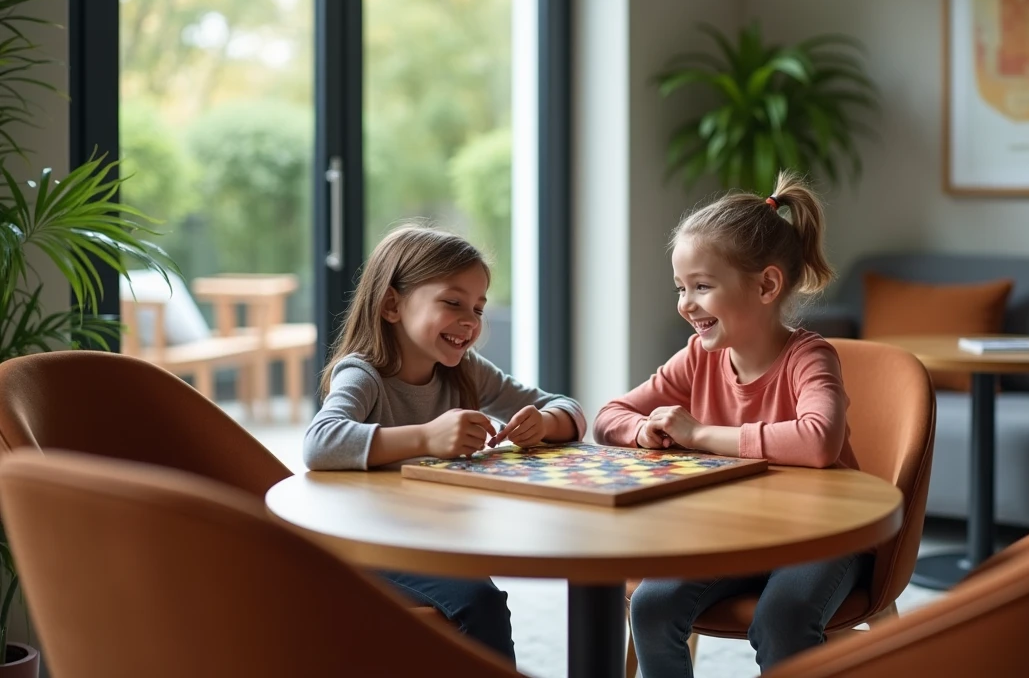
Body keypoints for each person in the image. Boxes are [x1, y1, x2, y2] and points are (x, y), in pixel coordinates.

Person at [594, 171, 865, 677]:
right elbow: (609, 416)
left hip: (825, 536)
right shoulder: (698, 356)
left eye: (702, 286)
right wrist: (642, 431)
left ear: (766, 285)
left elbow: (819, 440)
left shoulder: (810, 356)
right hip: (735, 534)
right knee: (651, 606)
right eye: (681, 288)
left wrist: (698, 435)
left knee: (782, 619)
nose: (685, 304)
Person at [303, 223, 587, 662]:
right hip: (366, 545)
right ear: (392, 305)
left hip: (433, 539)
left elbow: (567, 406)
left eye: (477, 307)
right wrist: (426, 437)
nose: (470, 321)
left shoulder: (464, 369)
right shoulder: (364, 374)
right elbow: (320, 443)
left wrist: (545, 424)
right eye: (453, 302)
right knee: (481, 604)